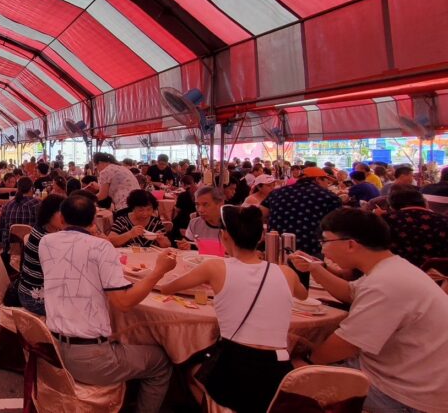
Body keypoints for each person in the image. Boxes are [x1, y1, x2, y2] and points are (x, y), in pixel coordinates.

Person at [288, 209, 448, 413]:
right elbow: (351, 293)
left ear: (351, 244)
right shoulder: (392, 268)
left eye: (325, 241)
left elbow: (344, 345)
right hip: (408, 374)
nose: (323, 249)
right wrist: (315, 269)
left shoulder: (386, 284)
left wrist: (303, 362)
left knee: (281, 371)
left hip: (404, 394)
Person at [161, 205, 306, 412]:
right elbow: (303, 294)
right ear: (260, 238)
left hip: (234, 368)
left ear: (224, 236)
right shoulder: (285, 272)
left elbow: (167, 288)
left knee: (186, 369)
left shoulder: (215, 267)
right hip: (277, 371)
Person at [39, 194, 175, 413]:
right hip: (91, 358)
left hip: (53, 348)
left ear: (62, 219)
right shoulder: (101, 248)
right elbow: (123, 302)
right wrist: (158, 272)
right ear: (94, 221)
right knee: (162, 362)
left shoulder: (46, 242)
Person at [261, 167, 342, 258]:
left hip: (276, 248)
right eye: (327, 181)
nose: (327, 185)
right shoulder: (328, 197)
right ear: (318, 179)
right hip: (311, 252)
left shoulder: (276, 193)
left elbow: (260, 214)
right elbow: (337, 226)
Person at [17, 194, 65, 316]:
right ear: (49, 213)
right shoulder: (44, 239)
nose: (65, 218)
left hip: (30, 289)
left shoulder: (44, 229)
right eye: (61, 213)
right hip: (35, 298)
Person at [381, 187, 448, 267]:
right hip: (438, 274)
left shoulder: (385, 220)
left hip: (395, 271)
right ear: (424, 202)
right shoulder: (444, 220)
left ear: (392, 207)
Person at [0, 177, 39, 250]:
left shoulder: (8, 204)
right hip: (31, 247)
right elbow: (41, 226)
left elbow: (2, 226)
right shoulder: (36, 204)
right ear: (32, 188)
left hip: (9, 247)